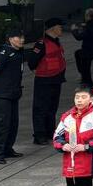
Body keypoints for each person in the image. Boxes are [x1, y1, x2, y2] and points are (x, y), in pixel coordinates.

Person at [0, 26, 26, 164]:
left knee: (13, 123)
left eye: (22, 37)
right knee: (2, 124)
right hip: (3, 94)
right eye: (18, 37)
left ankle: (8, 149)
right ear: (10, 39)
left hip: (14, 93)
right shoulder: (4, 53)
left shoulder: (18, 52)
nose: (22, 40)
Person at [29, 17, 68, 145]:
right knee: (41, 107)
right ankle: (39, 135)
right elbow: (32, 62)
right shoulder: (41, 43)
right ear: (53, 28)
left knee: (52, 107)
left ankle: (50, 131)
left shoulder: (57, 41)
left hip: (56, 79)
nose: (62, 29)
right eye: (60, 26)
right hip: (44, 80)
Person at [73, 9, 93, 86]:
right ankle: (84, 78)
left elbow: (79, 37)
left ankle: (88, 84)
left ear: (88, 16)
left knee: (86, 68)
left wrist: (74, 30)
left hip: (87, 50)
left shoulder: (90, 26)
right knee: (78, 54)